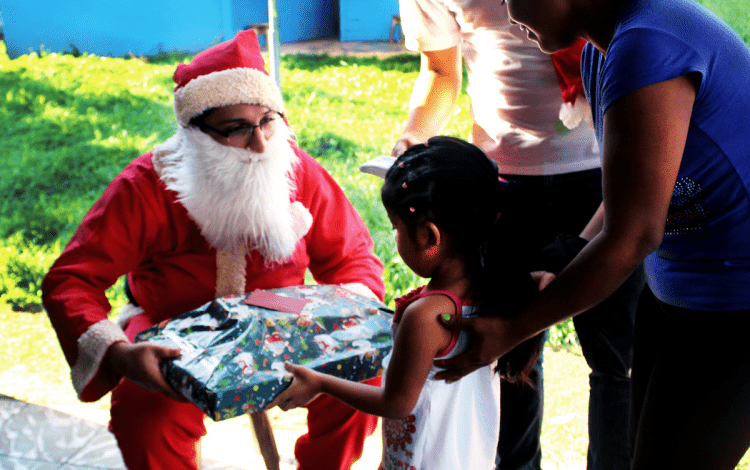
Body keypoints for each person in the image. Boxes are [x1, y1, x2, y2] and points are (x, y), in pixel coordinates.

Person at [41, 30, 385, 470]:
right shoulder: (146, 185)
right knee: (144, 414)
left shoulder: (295, 167)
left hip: (278, 309)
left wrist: (335, 330)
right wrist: (120, 355)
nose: (261, 144)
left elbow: (352, 257)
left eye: (268, 121)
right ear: (195, 132)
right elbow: (70, 280)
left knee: (361, 379)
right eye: (237, 129)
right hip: (173, 321)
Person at [437, 0, 750, 468]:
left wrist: (513, 329)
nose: (507, 8)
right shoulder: (602, 52)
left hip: (734, 306)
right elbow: (633, 193)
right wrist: (566, 265)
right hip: (676, 293)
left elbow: (634, 235)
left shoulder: (649, 43)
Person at [392, 1, 644, 469]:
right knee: (505, 352)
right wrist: (411, 137)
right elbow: (440, 72)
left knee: (616, 361)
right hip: (504, 181)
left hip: (606, 171)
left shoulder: (649, 41)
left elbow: (639, 222)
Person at [270, 136, 545, 470]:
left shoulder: (427, 315)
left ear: (429, 236)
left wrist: (320, 382)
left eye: (396, 228)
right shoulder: (499, 288)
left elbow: (397, 403)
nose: (395, 238)